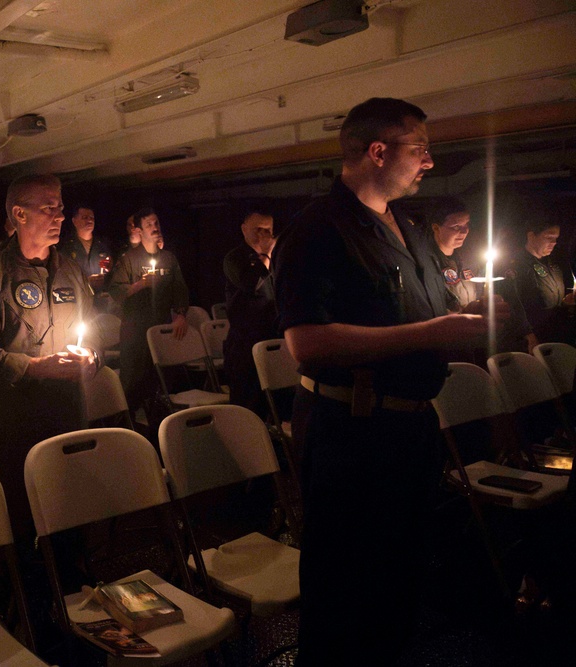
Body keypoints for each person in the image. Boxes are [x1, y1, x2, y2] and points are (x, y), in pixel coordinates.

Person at [273, 97, 502, 665]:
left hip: (408, 426)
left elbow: (425, 308)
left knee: (399, 582)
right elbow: (307, 342)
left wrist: (466, 311)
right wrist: (434, 332)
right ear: (378, 151)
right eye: (419, 148)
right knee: (345, 593)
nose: (428, 162)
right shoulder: (317, 228)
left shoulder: (410, 228)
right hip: (351, 429)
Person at [0, 174, 98, 535]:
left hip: (67, 414)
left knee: (70, 519)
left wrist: (92, 359)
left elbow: (92, 330)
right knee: (19, 524)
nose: (60, 216)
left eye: (61, 208)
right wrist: (36, 368)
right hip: (14, 422)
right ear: (19, 214)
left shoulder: (70, 271)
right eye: (48, 208)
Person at [107, 207, 189, 419]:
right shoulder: (129, 259)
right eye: (149, 225)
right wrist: (140, 285)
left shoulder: (169, 258)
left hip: (161, 329)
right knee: (132, 386)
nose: (154, 228)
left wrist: (180, 315)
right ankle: (127, 430)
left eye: (156, 223)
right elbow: (116, 291)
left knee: (161, 386)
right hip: (135, 333)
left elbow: (180, 289)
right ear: (140, 231)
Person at [428, 197, 535, 354]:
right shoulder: (427, 263)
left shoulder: (468, 258)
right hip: (448, 343)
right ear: (436, 228)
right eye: (456, 226)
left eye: (466, 225)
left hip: (477, 341)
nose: (464, 232)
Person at [222, 208, 278, 415]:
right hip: (244, 344)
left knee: (273, 406)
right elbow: (251, 283)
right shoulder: (234, 258)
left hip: (272, 337)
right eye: (258, 230)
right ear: (244, 230)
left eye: (268, 230)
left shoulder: (275, 259)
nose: (264, 235)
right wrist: (265, 255)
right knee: (247, 406)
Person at [506, 212, 573, 344]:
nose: (553, 243)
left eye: (556, 238)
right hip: (533, 336)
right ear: (531, 236)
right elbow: (513, 303)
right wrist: (527, 333)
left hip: (556, 332)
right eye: (549, 237)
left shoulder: (553, 263)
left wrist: (565, 302)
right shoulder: (517, 265)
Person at [58, 203, 112, 292]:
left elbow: (112, 273)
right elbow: (63, 276)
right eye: (85, 217)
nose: (89, 220)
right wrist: (86, 281)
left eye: (91, 218)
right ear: (74, 221)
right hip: (78, 297)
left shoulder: (103, 245)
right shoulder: (65, 246)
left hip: (101, 298)